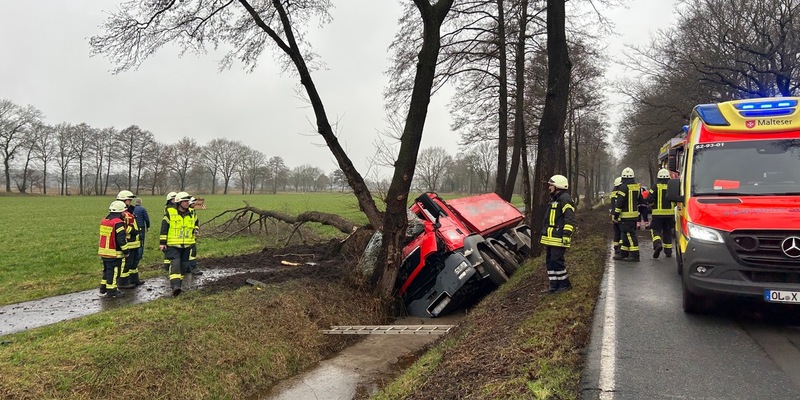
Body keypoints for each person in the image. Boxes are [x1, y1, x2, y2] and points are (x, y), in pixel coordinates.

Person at [539, 174, 576, 293]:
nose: (549, 187)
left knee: (556, 261)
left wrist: (566, 234)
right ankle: (554, 286)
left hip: (559, 237)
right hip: (551, 238)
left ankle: (565, 285)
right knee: (550, 262)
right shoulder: (554, 199)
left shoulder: (565, 198)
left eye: (551, 185)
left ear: (558, 186)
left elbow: (569, 218)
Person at [160, 191, 197, 296]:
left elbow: (194, 224)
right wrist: (162, 242)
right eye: (184, 201)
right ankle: (175, 286)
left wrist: (195, 230)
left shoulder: (191, 212)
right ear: (178, 202)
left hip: (187, 245)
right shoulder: (170, 212)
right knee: (175, 265)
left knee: (183, 266)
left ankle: (179, 286)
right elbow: (164, 228)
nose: (187, 203)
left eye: (187, 201)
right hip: (173, 245)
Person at [98, 200, 128, 298]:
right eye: (124, 211)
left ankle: (103, 287)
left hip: (104, 251)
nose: (125, 213)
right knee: (115, 271)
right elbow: (121, 239)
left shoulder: (105, 221)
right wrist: (126, 251)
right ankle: (112, 291)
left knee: (107, 270)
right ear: (120, 212)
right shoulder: (118, 223)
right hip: (114, 252)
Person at [612, 167, 641, 261]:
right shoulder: (637, 187)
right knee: (624, 234)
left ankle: (635, 255)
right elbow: (640, 200)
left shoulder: (623, 187)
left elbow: (619, 202)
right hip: (634, 215)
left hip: (625, 216)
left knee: (629, 234)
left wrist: (616, 215)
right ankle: (623, 253)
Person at [116, 190, 143, 288]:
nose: (130, 202)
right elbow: (124, 227)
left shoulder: (129, 211)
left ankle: (134, 279)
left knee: (134, 262)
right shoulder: (121, 212)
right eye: (129, 200)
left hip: (134, 242)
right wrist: (134, 231)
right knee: (126, 263)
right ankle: (123, 282)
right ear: (123, 200)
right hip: (129, 242)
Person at [649, 168, 676, 258]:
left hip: (657, 214)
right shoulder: (672, 186)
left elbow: (649, 199)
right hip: (670, 215)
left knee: (655, 230)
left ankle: (658, 244)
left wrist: (652, 205)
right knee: (667, 232)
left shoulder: (655, 186)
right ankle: (668, 251)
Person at [186, 197, 203, 275]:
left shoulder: (193, 212)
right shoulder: (186, 212)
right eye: (193, 203)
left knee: (191, 252)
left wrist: (196, 229)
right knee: (192, 252)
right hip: (187, 236)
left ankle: (188, 267)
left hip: (191, 235)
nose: (195, 204)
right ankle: (193, 268)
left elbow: (196, 222)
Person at [609, 177, 623, 257]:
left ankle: (616, 247)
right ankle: (621, 247)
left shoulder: (613, 193)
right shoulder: (622, 193)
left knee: (616, 233)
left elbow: (612, 205)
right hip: (621, 216)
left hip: (614, 217)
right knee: (622, 232)